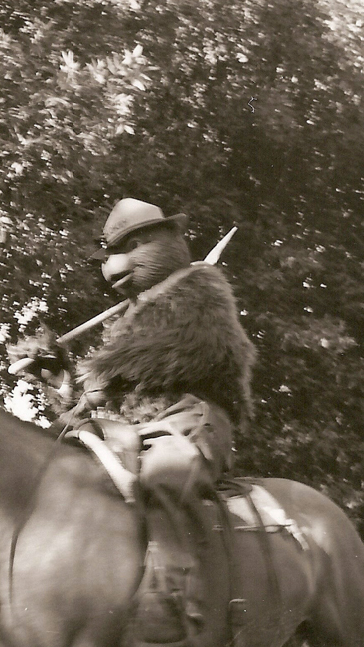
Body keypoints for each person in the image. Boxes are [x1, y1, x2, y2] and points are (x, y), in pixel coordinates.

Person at [14, 198, 256, 500]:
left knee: (161, 478)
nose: (113, 265)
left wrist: (104, 378)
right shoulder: (131, 317)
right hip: (130, 429)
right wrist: (63, 381)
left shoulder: (201, 295)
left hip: (191, 421)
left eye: (132, 247)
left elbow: (175, 355)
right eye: (109, 255)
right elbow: (107, 394)